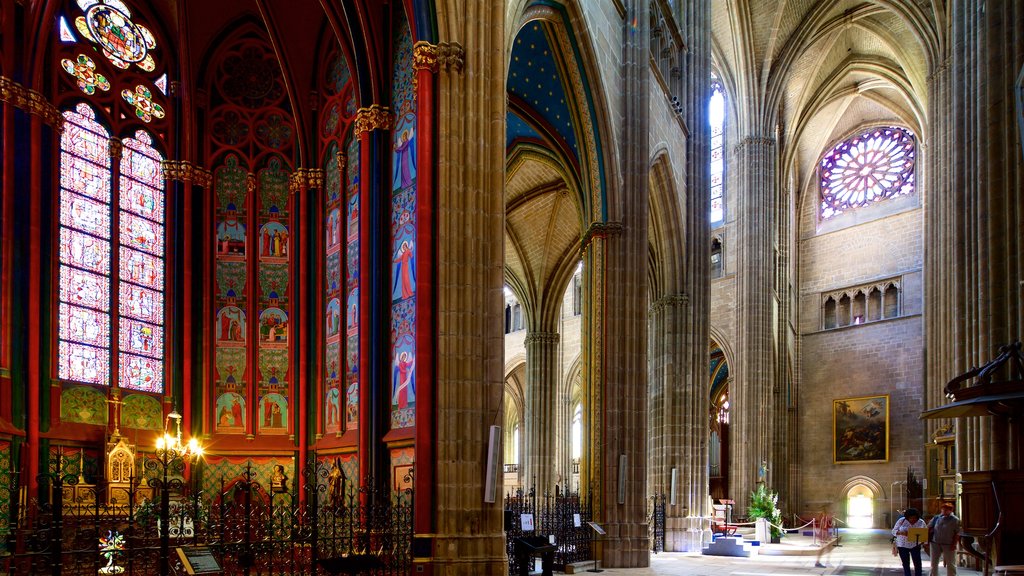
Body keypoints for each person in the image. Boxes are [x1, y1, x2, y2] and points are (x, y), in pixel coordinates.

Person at [929, 502, 961, 576]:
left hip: (948, 544)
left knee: (950, 564)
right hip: (935, 543)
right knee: (933, 563)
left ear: (951, 510)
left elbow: (957, 533)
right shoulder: (937, 518)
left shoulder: (955, 520)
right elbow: (929, 527)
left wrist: (954, 544)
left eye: (946, 510)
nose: (944, 511)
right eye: (943, 510)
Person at [892, 507, 927, 576]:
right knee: (905, 563)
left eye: (915, 518)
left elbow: (925, 533)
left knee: (917, 563)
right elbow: (893, 531)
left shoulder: (921, 522)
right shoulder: (901, 521)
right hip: (902, 545)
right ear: (907, 517)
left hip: (915, 545)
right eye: (911, 518)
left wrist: (925, 543)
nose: (913, 520)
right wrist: (901, 532)